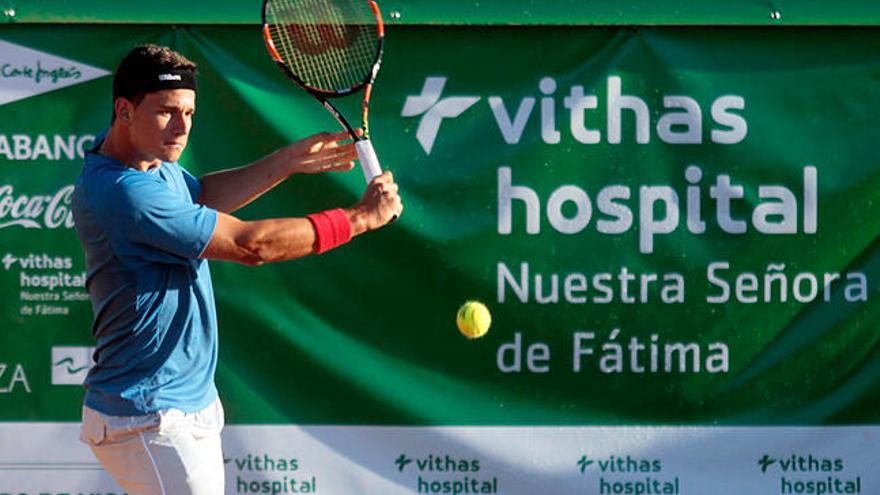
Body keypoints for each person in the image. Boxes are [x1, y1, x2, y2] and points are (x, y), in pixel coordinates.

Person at [72, 44, 402, 495]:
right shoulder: (123, 192)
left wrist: (285, 163)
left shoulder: (149, 163)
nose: (182, 127)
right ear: (123, 110)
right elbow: (252, 245)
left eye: (189, 112)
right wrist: (360, 218)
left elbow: (199, 194)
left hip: (188, 404)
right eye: (167, 112)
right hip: (148, 418)